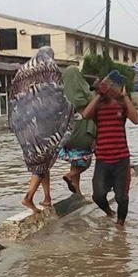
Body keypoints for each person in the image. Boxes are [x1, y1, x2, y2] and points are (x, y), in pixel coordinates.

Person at [9, 47, 73, 213]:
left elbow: (14, 97)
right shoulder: (50, 67)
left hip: (24, 124)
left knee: (44, 161)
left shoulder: (23, 71)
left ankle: (47, 198)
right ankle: (28, 197)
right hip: (43, 123)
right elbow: (57, 93)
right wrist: (68, 109)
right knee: (42, 159)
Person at [82, 79, 138, 226]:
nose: (99, 91)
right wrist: (98, 96)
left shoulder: (122, 105)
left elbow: (136, 120)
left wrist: (125, 97)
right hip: (102, 159)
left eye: (101, 89)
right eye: (97, 90)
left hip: (121, 159)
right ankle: (109, 212)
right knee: (98, 195)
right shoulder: (98, 107)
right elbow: (85, 115)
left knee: (122, 197)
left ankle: (120, 228)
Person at [58, 65, 96, 194]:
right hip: (84, 132)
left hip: (68, 135)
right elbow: (95, 101)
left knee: (75, 160)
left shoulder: (61, 95)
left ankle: (77, 191)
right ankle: (70, 175)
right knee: (86, 161)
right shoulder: (83, 91)